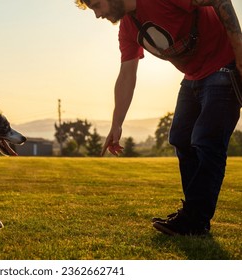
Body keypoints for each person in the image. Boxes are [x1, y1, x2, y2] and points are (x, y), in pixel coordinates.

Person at [75, 0, 242, 236]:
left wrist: (240, 51)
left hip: (223, 65)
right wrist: (116, 123)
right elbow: (126, 74)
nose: (97, 15)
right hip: (193, 76)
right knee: (181, 138)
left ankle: (195, 219)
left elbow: (219, 0)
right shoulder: (128, 28)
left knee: (206, 141)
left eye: (96, 5)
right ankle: (194, 215)